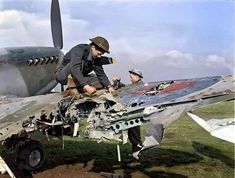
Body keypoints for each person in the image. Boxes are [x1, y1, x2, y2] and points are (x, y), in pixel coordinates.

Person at [127, 69, 143, 156]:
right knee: (132, 135)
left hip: (135, 114)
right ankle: (134, 154)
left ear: (137, 77)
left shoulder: (140, 86)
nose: (130, 79)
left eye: (131, 77)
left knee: (135, 136)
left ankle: (137, 156)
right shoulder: (136, 85)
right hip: (132, 113)